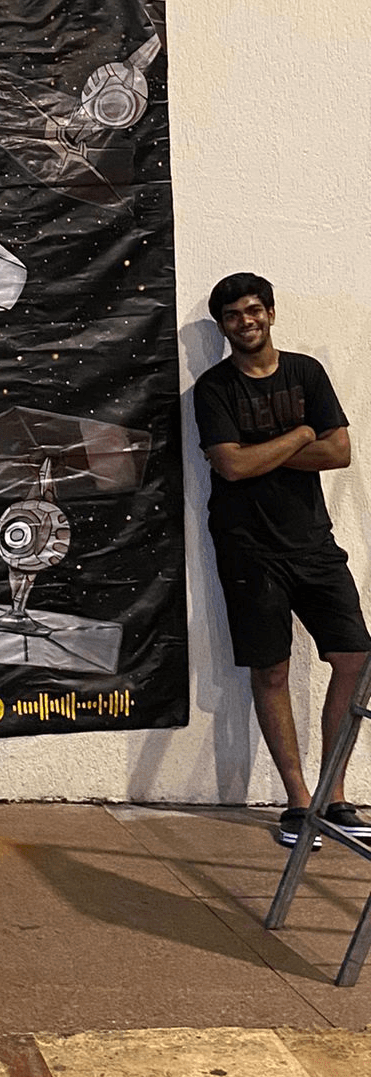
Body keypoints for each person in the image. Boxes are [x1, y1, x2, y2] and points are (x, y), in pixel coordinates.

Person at [195, 272, 371, 847]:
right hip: (248, 549)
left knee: (355, 658)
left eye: (253, 310)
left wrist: (265, 450)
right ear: (222, 326)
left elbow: (339, 451)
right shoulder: (213, 388)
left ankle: (332, 797)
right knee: (270, 670)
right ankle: (297, 804)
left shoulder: (306, 373)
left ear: (270, 313)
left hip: (313, 544)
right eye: (232, 316)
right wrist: (299, 436)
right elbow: (232, 467)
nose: (245, 322)